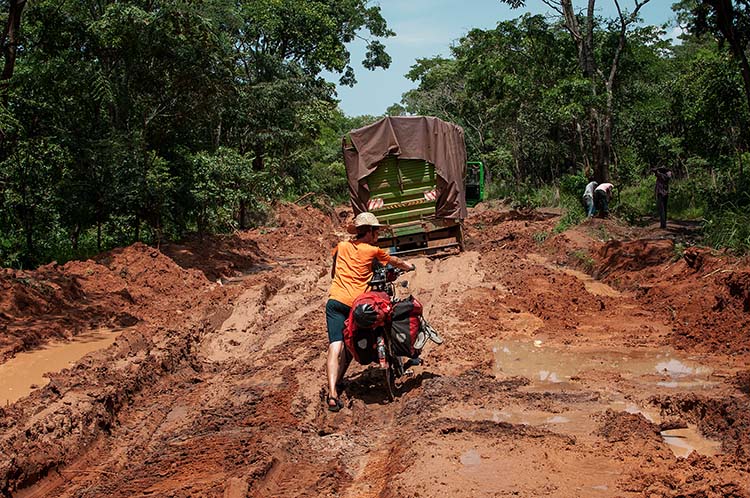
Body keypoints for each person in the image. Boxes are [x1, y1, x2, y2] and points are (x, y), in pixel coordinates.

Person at [325, 212, 415, 412]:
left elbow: (333, 273)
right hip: (355, 305)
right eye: (377, 231)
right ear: (371, 232)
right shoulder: (374, 251)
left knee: (336, 345)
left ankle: (332, 392)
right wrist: (409, 266)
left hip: (334, 301)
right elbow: (396, 262)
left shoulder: (341, 247)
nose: (378, 235)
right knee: (353, 341)